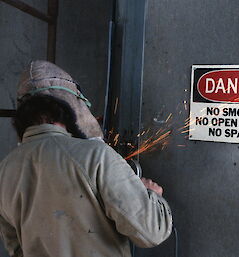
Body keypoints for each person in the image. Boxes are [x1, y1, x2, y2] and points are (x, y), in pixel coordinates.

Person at [0, 61, 172, 257]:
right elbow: (150, 232)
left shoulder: (4, 170)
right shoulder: (96, 156)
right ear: (69, 109)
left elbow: (16, 249)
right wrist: (152, 197)